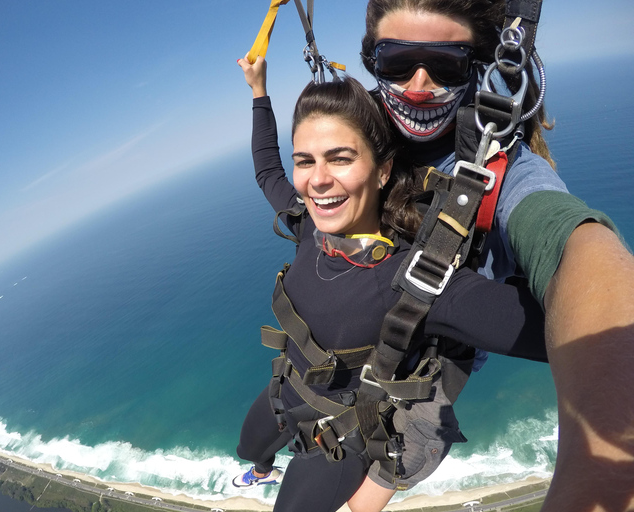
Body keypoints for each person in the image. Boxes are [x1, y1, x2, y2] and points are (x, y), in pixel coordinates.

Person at [350, 2, 634, 511]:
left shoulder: (498, 170)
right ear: (372, 60)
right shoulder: (350, 131)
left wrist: (601, 475)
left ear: (476, 67)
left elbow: (569, 241)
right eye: (397, 61)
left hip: (417, 394)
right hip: (350, 358)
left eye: (445, 64)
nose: (419, 85)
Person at [234, 57, 548, 511]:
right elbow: (267, 170)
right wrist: (258, 92)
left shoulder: (414, 280)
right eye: (306, 161)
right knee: (249, 447)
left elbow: (554, 327)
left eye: (340, 158)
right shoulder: (309, 227)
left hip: (338, 438)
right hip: (284, 389)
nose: (317, 180)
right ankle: (260, 470)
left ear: (382, 171)